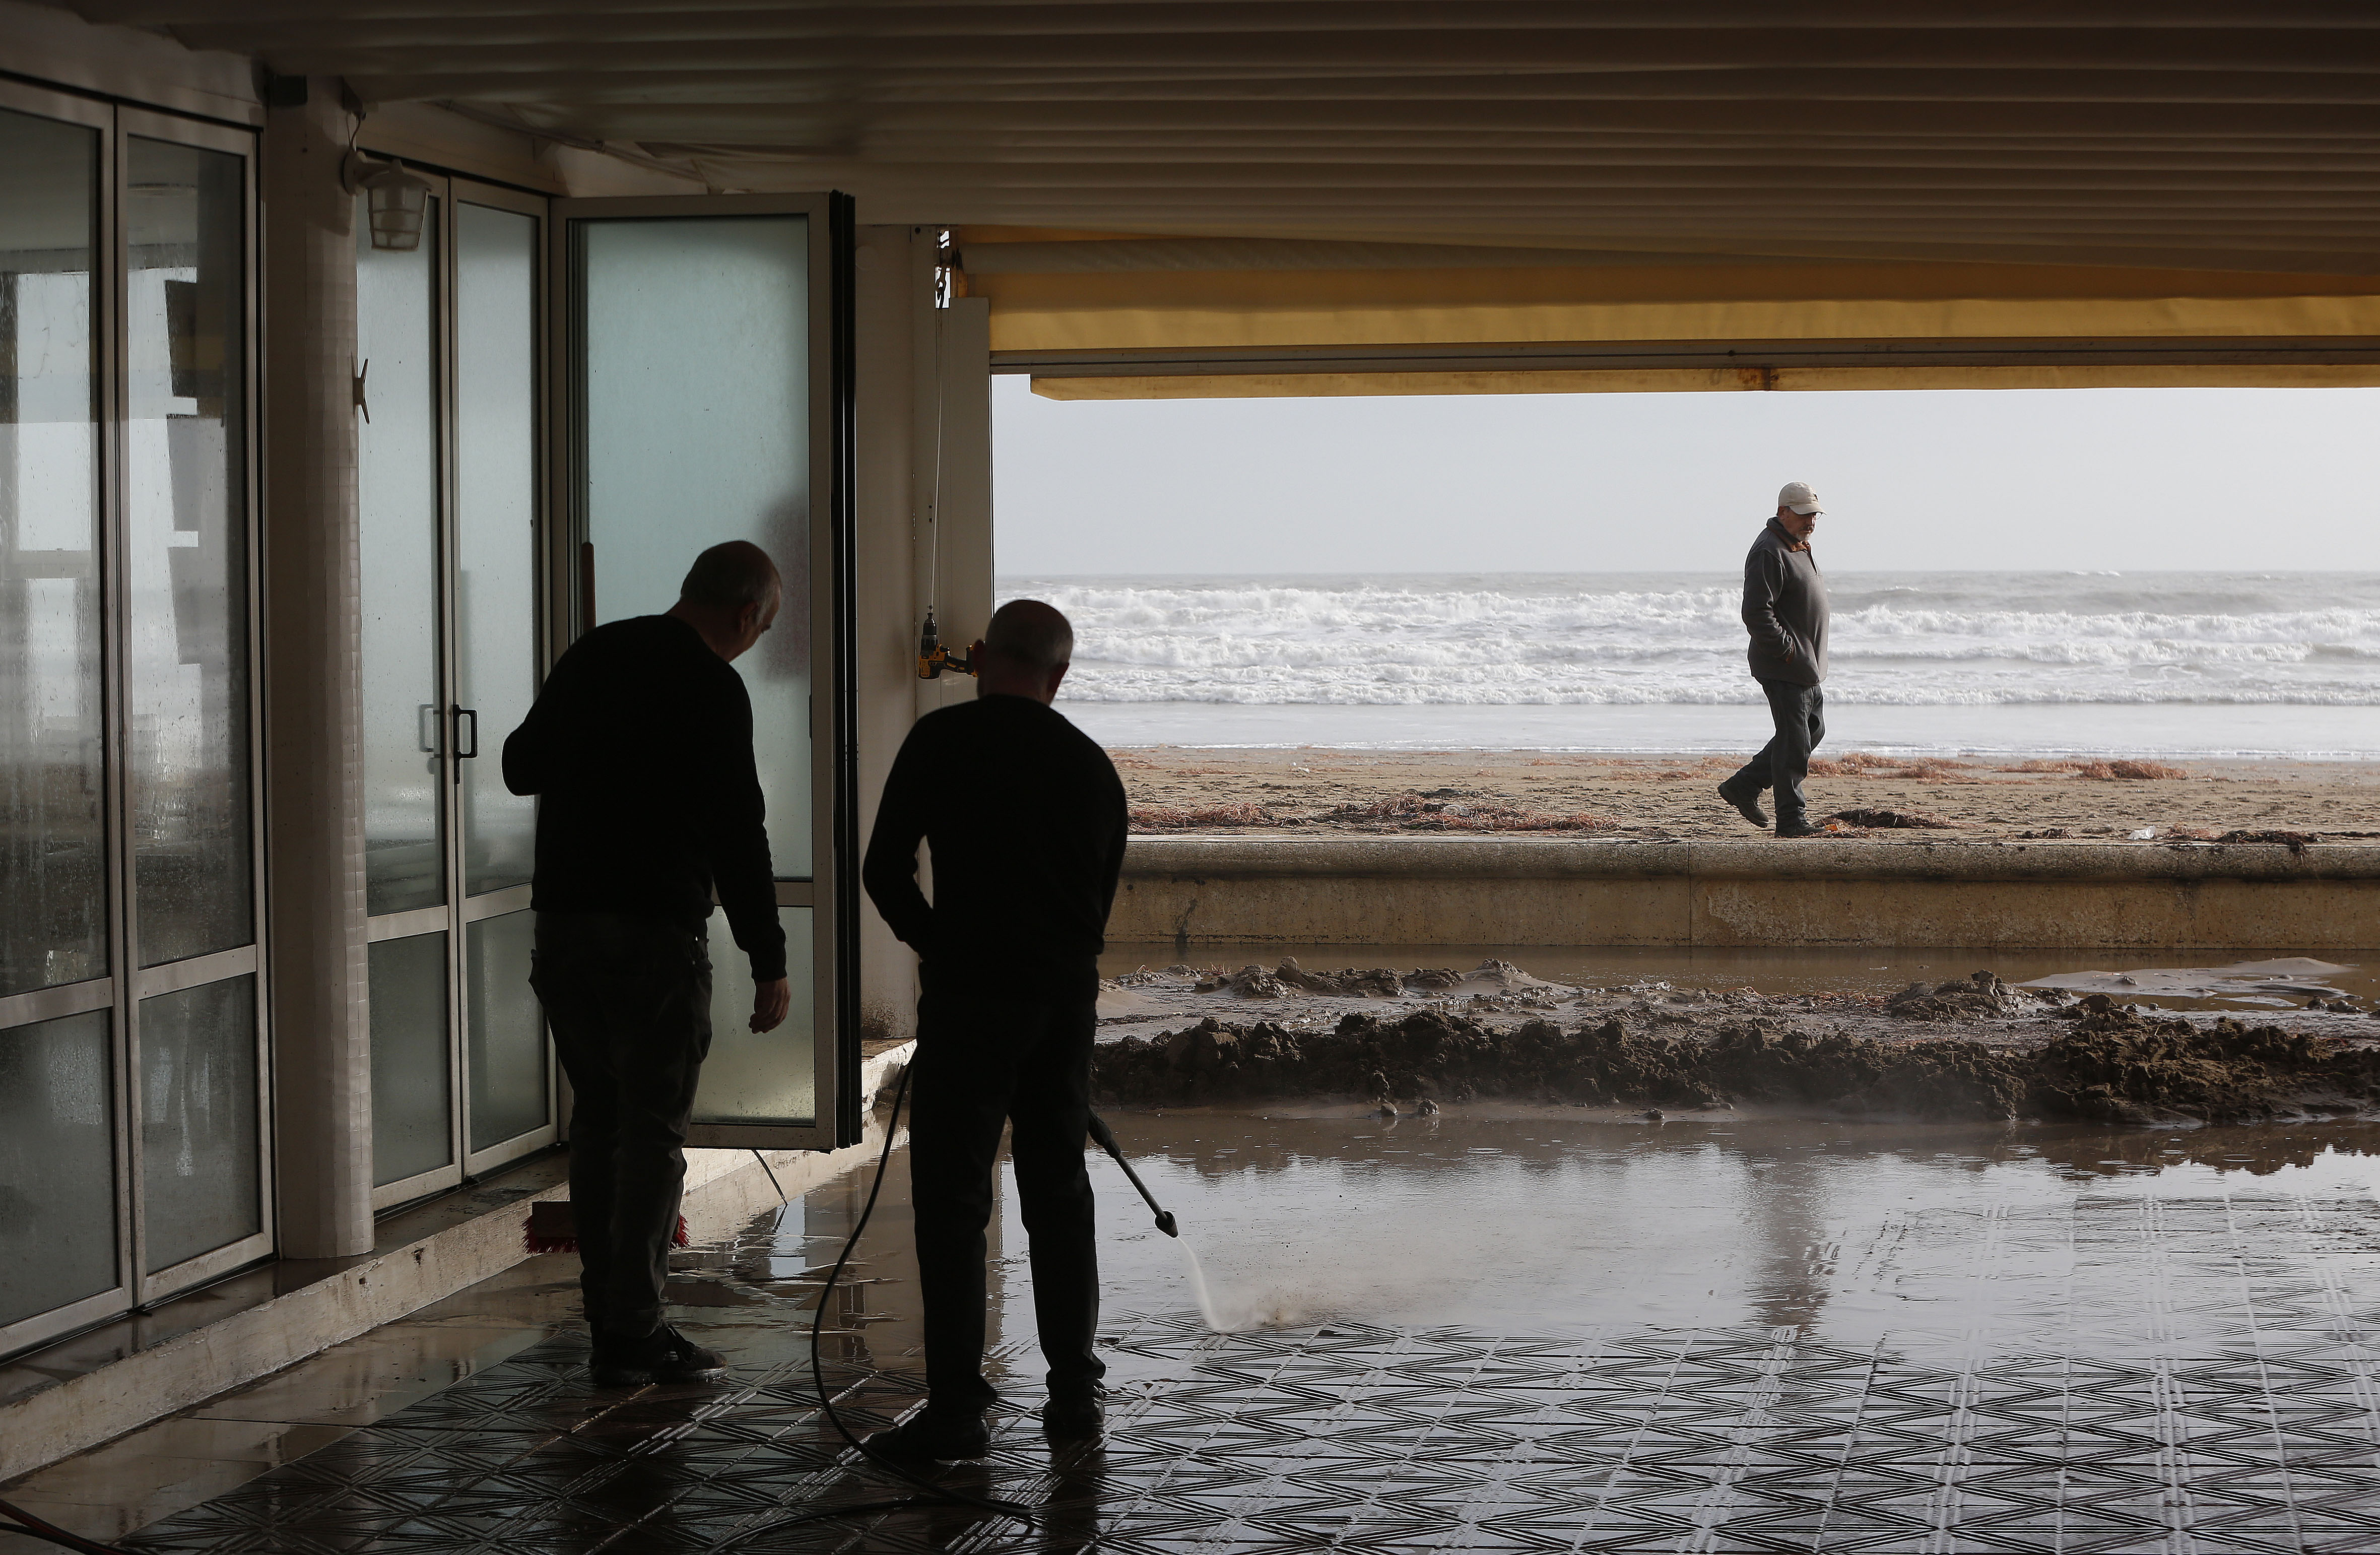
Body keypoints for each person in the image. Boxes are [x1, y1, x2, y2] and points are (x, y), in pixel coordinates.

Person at [503, 540, 792, 1386]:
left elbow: (522, 765)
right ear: (745, 615)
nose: (754, 641)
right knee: (652, 1132)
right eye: (763, 628)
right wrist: (768, 957)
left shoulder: (595, 654)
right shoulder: (711, 687)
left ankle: (610, 1317)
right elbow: (740, 832)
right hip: (654, 939)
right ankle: (632, 1329)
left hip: (564, 930)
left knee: (598, 1121)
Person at [860, 599, 1130, 1459]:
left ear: (981, 659)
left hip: (971, 1001)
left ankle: (955, 1412)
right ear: (1057, 675)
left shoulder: (941, 745)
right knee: (1058, 1190)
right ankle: (1073, 1396)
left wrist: (939, 945)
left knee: (952, 1199)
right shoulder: (1088, 766)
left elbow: (882, 869)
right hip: (1059, 1003)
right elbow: (1097, 901)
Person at [1718, 481, 1831, 839]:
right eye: (1803, 514)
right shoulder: (1769, 551)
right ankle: (1791, 819)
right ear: (1783, 512)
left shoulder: (1797, 546)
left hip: (1805, 664)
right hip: (1785, 664)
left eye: (1813, 514)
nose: (1810, 521)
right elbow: (1756, 612)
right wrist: (1787, 651)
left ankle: (1744, 786)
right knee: (1794, 742)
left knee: (1811, 732)